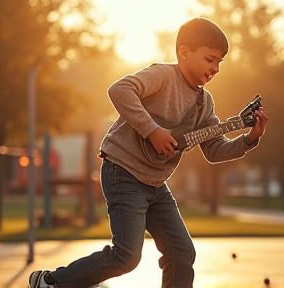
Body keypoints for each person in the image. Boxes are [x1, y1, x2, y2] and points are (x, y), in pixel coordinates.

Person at [29, 16, 268, 288]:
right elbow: (119, 89)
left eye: (219, 63)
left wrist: (250, 138)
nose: (215, 68)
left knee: (182, 252)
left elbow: (214, 150)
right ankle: (51, 282)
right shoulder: (163, 76)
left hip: (155, 185)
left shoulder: (205, 103)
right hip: (124, 172)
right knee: (126, 256)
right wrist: (151, 130)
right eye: (209, 59)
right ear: (184, 53)